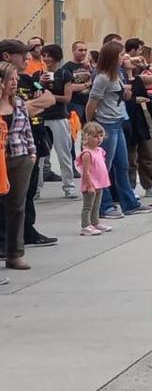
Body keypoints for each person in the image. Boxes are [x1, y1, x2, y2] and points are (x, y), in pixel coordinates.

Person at [85, 41, 152, 219]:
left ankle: (129, 203)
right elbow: (91, 104)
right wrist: (91, 126)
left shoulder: (118, 75)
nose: (124, 58)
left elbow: (118, 97)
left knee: (122, 166)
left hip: (117, 122)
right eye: (121, 55)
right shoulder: (102, 77)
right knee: (103, 168)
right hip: (105, 125)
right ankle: (103, 206)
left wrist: (126, 94)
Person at [1, 61, 52, 270]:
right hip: (1, 159)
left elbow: (26, 130)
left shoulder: (20, 103)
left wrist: (32, 153)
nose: (14, 83)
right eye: (9, 80)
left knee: (17, 206)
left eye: (15, 79)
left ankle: (15, 253)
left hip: (20, 156)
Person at [125, 48, 152, 197]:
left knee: (147, 153)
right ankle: (130, 186)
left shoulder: (139, 78)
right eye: (128, 59)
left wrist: (147, 65)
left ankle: (150, 185)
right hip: (129, 116)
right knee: (131, 156)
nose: (132, 61)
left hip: (142, 114)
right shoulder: (119, 78)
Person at [41, 44, 79, 199]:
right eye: (44, 55)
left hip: (59, 117)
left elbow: (67, 98)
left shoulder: (64, 74)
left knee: (64, 153)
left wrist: (51, 96)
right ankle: (36, 189)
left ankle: (69, 187)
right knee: (40, 156)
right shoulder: (39, 74)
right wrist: (41, 87)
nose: (46, 58)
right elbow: (35, 94)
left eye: (49, 55)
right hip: (42, 117)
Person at [75, 122, 113, 236]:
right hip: (90, 184)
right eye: (95, 136)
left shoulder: (100, 151)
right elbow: (86, 172)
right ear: (86, 137)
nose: (99, 139)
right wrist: (89, 185)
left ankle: (95, 222)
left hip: (99, 183)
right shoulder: (87, 154)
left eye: (101, 136)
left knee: (97, 205)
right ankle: (85, 225)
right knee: (88, 206)